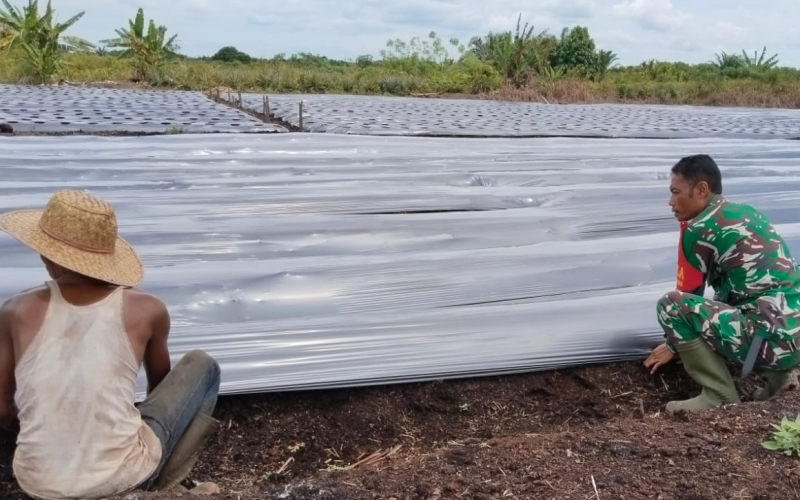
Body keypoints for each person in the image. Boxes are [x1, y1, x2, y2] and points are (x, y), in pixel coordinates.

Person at [0, 189, 221, 498]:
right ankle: (158, 485)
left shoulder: (14, 310)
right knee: (203, 365)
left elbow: (2, 409)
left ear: (45, 252)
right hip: (123, 475)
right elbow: (159, 391)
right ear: (107, 257)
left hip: (38, 484)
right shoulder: (148, 309)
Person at [644, 154, 800, 413]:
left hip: (773, 343)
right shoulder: (747, 213)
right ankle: (780, 379)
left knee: (671, 306)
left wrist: (673, 345)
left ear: (702, 190)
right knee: (752, 305)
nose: (670, 202)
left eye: (676, 192)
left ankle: (718, 395)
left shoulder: (698, 229)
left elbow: (687, 297)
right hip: (794, 333)